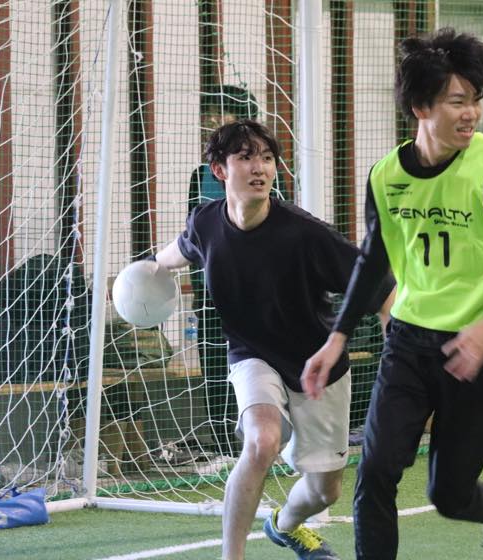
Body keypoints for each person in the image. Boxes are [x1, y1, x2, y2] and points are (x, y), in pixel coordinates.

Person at [302, 28, 483, 560]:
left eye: (476, 101)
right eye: (457, 102)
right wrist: (338, 337)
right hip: (409, 342)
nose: (471, 114)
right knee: (375, 471)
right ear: (421, 107)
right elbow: (374, 260)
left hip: (482, 351)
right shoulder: (386, 176)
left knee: (449, 494)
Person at [153, 119, 394, 560]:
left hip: (317, 365)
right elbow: (178, 251)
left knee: (325, 491)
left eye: (266, 158)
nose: (260, 168)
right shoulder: (206, 222)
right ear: (220, 170)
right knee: (262, 441)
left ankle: (285, 526)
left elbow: (380, 284)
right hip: (252, 355)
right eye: (245, 158)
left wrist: (396, 346)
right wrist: (148, 271)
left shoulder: (305, 234)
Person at [189, 85, 260, 457]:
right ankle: (220, 440)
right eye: (207, 114)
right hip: (211, 292)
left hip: (257, 290)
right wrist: (199, 290)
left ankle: (259, 437)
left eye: (220, 114)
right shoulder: (200, 175)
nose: (211, 121)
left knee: (256, 366)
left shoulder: (266, 172)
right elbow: (193, 235)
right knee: (215, 366)